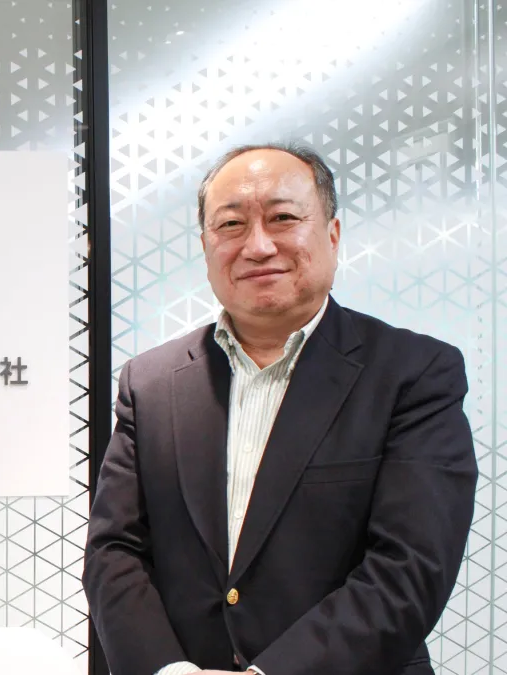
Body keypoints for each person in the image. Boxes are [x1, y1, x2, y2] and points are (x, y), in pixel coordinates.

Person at [82, 142, 478, 675]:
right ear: (205, 245)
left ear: (332, 234)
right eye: (231, 225)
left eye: (283, 218)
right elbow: (114, 552)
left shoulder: (415, 373)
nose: (258, 245)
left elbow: (410, 566)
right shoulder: (150, 383)